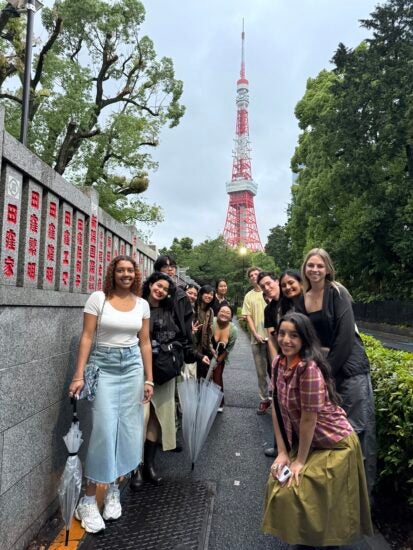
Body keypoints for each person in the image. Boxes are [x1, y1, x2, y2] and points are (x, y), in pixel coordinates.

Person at [262, 312, 373, 548]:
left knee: (309, 493)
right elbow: (278, 408)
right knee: (283, 485)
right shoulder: (277, 365)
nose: (286, 340)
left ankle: (325, 542)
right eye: (282, 333)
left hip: (335, 443)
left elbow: (308, 420)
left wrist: (299, 461)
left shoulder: (309, 369)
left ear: (304, 339)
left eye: (294, 335)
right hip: (311, 442)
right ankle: (307, 539)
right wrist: (282, 452)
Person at [68, 255, 153, 534]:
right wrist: (79, 374)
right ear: (112, 273)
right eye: (120, 270)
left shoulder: (142, 304)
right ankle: (88, 500)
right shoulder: (98, 298)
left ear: (136, 274)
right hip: (103, 365)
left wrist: (149, 379)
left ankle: (113, 488)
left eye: (130, 270)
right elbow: (87, 337)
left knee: (127, 430)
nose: (125, 274)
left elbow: (144, 342)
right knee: (104, 430)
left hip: (132, 368)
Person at [299, 248, 376, 494]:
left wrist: (325, 373)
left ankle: (363, 494)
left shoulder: (337, 292)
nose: (315, 270)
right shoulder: (304, 296)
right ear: (305, 268)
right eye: (311, 265)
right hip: (325, 371)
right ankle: (338, 493)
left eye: (320, 266)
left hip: (349, 370)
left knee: (358, 430)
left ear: (328, 269)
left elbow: (344, 337)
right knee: (333, 432)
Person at [136, 272, 182, 486]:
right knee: (139, 418)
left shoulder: (170, 310)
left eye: (165, 289)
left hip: (163, 371)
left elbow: (178, 336)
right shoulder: (137, 305)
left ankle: (149, 466)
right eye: (158, 285)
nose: (160, 291)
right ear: (150, 283)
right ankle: (135, 467)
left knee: (156, 416)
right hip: (140, 370)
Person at [257, 271, 280, 457]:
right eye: (263, 286)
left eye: (268, 283)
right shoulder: (269, 309)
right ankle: (279, 446)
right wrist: (275, 367)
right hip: (282, 360)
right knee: (280, 405)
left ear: (276, 281)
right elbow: (271, 338)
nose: (266, 288)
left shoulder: (293, 301)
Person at [242, 266, 270, 414]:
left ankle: (279, 398)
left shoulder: (270, 290)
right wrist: (255, 333)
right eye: (251, 275)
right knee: (261, 372)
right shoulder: (249, 296)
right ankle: (264, 398)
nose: (254, 276)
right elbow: (248, 317)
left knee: (277, 370)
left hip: (274, 339)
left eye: (256, 273)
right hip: (256, 339)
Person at [211, 304, 238, 412]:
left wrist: (218, 361)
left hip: (220, 356)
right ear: (217, 312)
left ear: (231, 317)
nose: (224, 314)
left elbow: (228, 349)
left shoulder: (233, 330)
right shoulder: (211, 322)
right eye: (222, 311)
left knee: (217, 378)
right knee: (203, 378)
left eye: (228, 313)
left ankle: (219, 402)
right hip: (205, 353)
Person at [193, 284, 215, 378]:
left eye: (211, 294)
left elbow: (209, 332)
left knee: (201, 374)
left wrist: (210, 347)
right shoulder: (193, 306)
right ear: (201, 294)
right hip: (191, 344)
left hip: (202, 346)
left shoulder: (210, 311)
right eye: (206, 293)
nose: (209, 296)